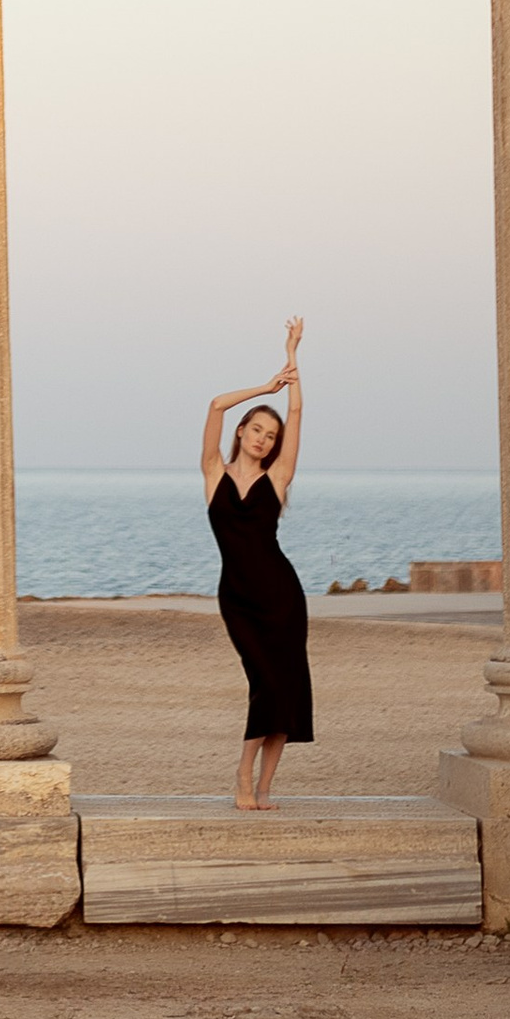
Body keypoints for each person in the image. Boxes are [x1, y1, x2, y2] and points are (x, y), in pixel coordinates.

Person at [199, 316, 309, 809]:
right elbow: (215, 404)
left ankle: (263, 788)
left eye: (271, 435)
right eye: (257, 430)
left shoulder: (279, 478)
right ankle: (243, 776)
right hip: (238, 599)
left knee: (287, 687)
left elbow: (299, 414)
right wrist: (265, 385)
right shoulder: (212, 474)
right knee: (264, 681)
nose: (263, 439)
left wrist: (294, 362)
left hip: (282, 596)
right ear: (242, 432)